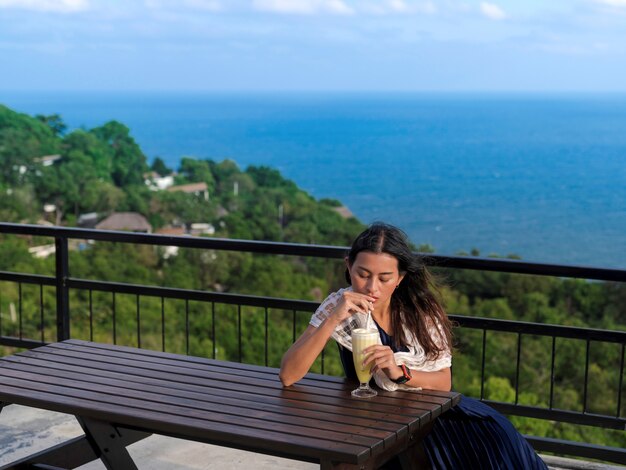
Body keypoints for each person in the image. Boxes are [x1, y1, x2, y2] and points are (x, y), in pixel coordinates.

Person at [279, 222, 547, 470]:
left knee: (498, 447)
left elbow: (444, 382)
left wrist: (400, 372)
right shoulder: (338, 305)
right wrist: (334, 318)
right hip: (374, 421)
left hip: (435, 420)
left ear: (400, 278)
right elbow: (289, 374)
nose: (372, 287)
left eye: (384, 278)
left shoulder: (419, 311)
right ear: (348, 266)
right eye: (362, 274)